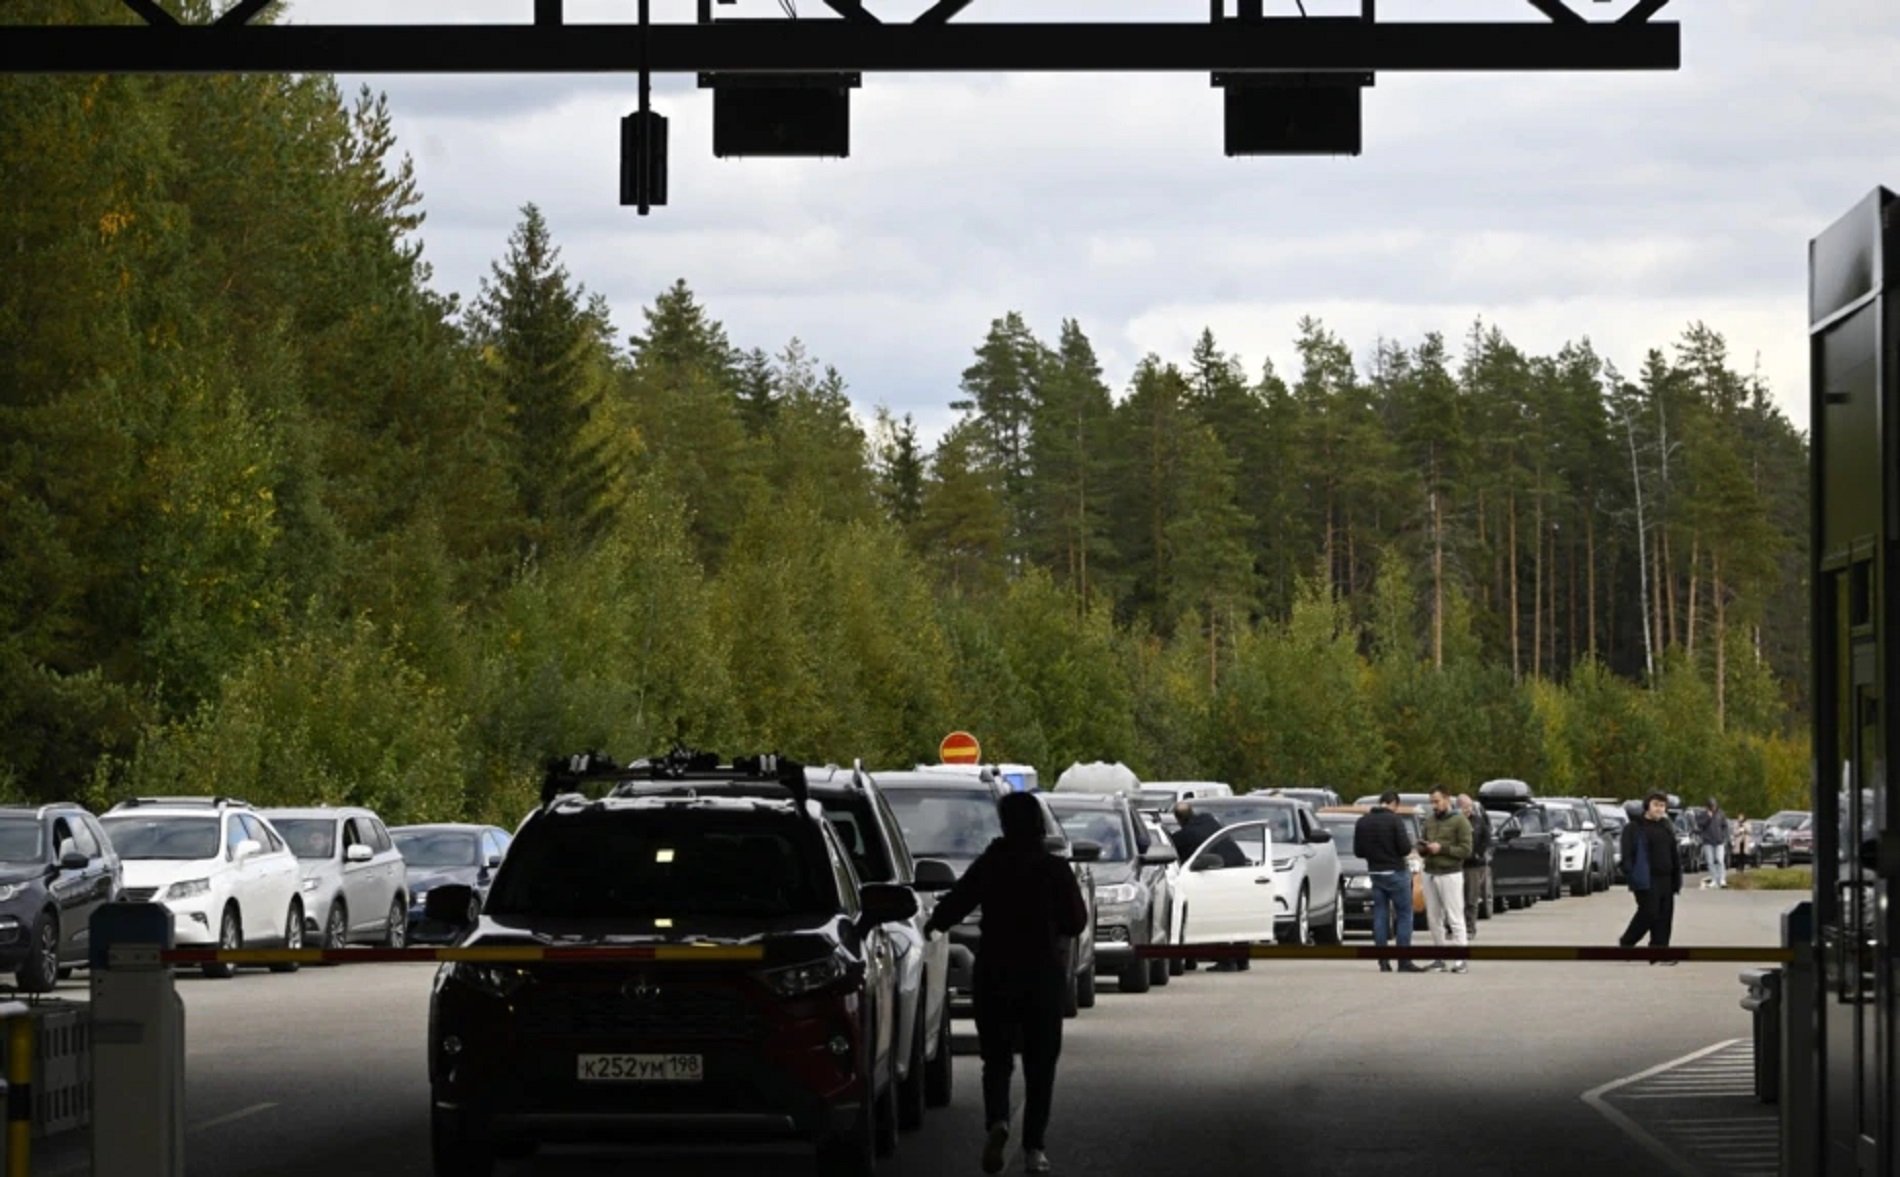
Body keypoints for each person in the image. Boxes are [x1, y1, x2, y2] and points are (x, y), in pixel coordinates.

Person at [923, 791, 1088, 1175]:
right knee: (1040, 1065)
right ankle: (1034, 1149)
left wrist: (933, 924)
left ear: (1004, 824)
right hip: (1042, 976)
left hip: (995, 973)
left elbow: (954, 905)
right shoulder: (1054, 869)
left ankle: (998, 1120)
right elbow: (1077, 921)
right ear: (1038, 825)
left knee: (996, 1060)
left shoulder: (990, 865)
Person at [1353, 791, 1424, 973]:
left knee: (1380, 915)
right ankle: (1403, 960)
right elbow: (1405, 848)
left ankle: (1383, 960)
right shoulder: (1394, 821)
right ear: (1393, 804)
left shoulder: (1363, 821)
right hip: (1396, 872)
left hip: (1375, 872)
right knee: (1404, 915)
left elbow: (1358, 851)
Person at [1169, 801, 1246, 970]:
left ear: (1177, 819)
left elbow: (1178, 861)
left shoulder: (1183, 837)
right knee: (1237, 914)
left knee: (1219, 914)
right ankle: (1242, 959)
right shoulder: (1208, 819)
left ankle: (1227, 961)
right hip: (1241, 867)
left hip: (1219, 873)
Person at [1619, 791, 1684, 961]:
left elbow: (1673, 854)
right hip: (1646, 878)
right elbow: (1627, 854)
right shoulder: (1634, 827)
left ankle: (1659, 951)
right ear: (1647, 806)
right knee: (1649, 912)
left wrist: (1677, 878)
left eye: (1662, 806)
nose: (1659, 809)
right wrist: (1629, 872)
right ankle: (1626, 943)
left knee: (1664, 916)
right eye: (1656, 805)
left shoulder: (1666, 827)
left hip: (1666, 879)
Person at [1418, 787, 1473, 973]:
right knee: (1433, 918)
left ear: (1447, 799)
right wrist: (1423, 848)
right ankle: (1439, 957)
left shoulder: (1460, 821)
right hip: (1430, 872)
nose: (1434, 805)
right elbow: (1423, 843)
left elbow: (1466, 850)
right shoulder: (1430, 820)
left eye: (1437, 801)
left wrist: (1442, 849)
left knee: (1455, 917)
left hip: (1450, 873)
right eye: (1432, 801)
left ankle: (1461, 959)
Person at [1457, 793, 1492, 936]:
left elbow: (1486, 839)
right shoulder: (1454, 822)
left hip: (1474, 866)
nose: (1468, 809)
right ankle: (1455, 928)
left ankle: (1470, 928)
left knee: (1471, 899)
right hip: (1457, 865)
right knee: (1457, 900)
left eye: (1470, 806)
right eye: (1465, 807)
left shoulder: (1478, 821)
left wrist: (1478, 853)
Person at [1697, 798, 1731, 889]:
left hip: (1719, 841)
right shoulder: (1703, 815)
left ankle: (1722, 879)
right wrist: (1708, 817)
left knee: (1720, 860)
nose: (1713, 808)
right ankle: (1714, 879)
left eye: (1714, 806)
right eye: (1711, 806)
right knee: (1710, 861)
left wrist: (1724, 837)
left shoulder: (1721, 814)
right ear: (1707, 807)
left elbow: (1725, 826)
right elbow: (1700, 825)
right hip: (1708, 841)